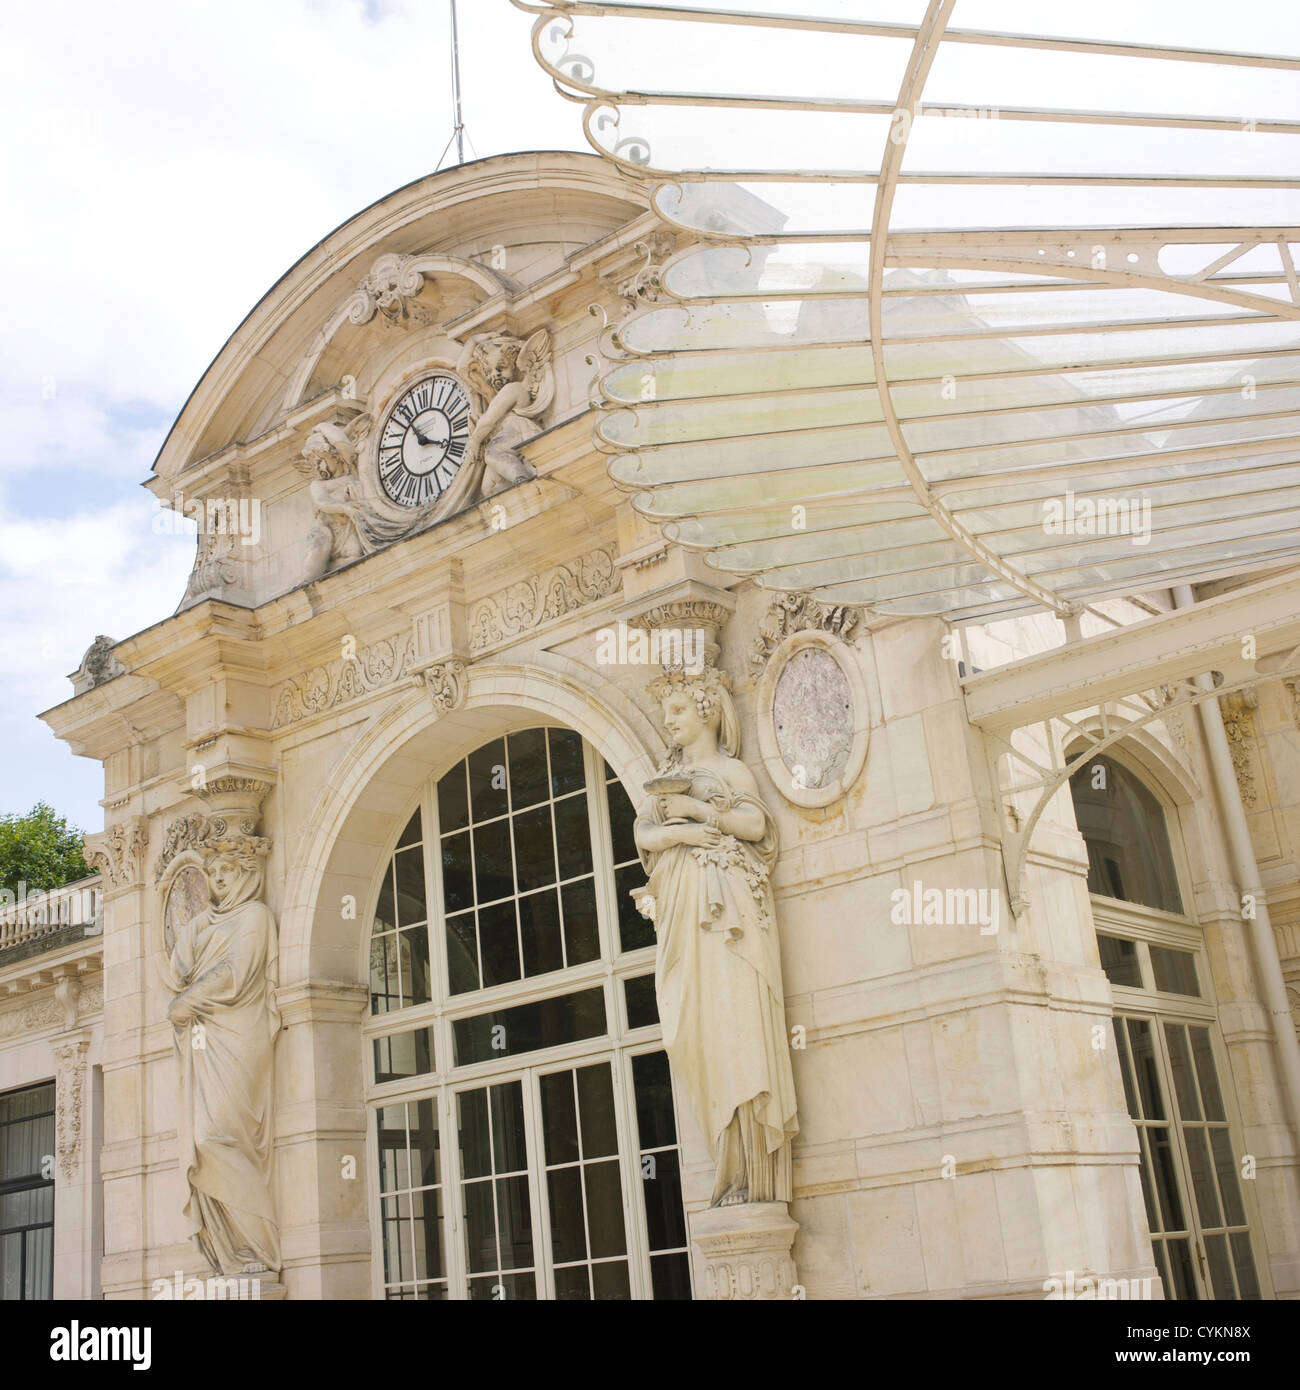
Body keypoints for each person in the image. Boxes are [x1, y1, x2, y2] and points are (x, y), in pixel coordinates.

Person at [633, 666, 799, 1206]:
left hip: (730, 914)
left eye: (677, 709)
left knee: (738, 1029)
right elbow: (646, 834)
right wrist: (680, 827)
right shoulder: (663, 781)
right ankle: (727, 1160)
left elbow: (755, 826)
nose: (668, 720)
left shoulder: (730, 772)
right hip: (683, 913)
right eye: (666, 712)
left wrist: (699, 809)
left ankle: (754, 1167)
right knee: (693, 1031)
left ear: (705, 709)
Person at [165, 846, 281, 1274]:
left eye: (227, 870)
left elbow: (235, 973)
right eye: (212, 872)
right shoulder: (201, 925)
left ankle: (260, 1245)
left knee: (219, 1136)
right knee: (201, 1137)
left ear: (247, 873)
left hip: (240, 1037)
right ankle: (230, 1253)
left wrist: (187, 999)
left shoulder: (255, 917)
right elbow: (174, 970)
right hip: (203, 1038)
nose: (217, 879)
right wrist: (182, 994)